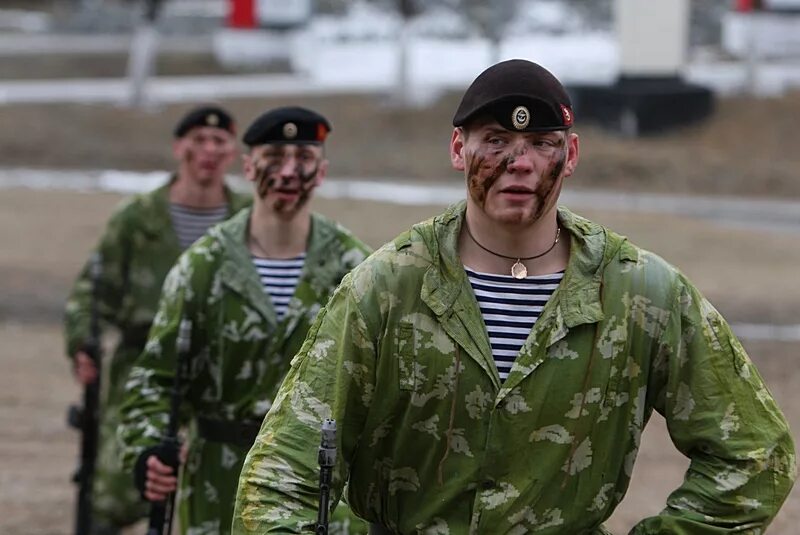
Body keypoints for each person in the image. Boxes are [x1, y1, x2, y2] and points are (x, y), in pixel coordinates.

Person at [232, 60, 796, 534]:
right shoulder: (386, 288)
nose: (518, 162)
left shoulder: (641, 293)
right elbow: (281, 475)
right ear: (458, 148)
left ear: (570, 155)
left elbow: (755, 455)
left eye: (542, 144)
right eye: (496, 140)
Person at [117, 106, 373, 535]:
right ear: (250, 167)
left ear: (322, 171)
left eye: (303, 159)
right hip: (219, 484)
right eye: (274, 158)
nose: (289, 172)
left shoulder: (355, 270)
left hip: (320, 490)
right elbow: (155, 381)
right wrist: (147, 451)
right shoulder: (203, 267)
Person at [63, 104, 249, 533]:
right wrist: (80, 346)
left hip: (223, 378)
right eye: (197, 140)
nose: (207, 150)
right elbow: (93, 292)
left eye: (218, 142)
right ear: (178, 147)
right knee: (112, 493)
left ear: (232, 152)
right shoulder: (136, 219)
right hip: (142, 370)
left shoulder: (247, 219)